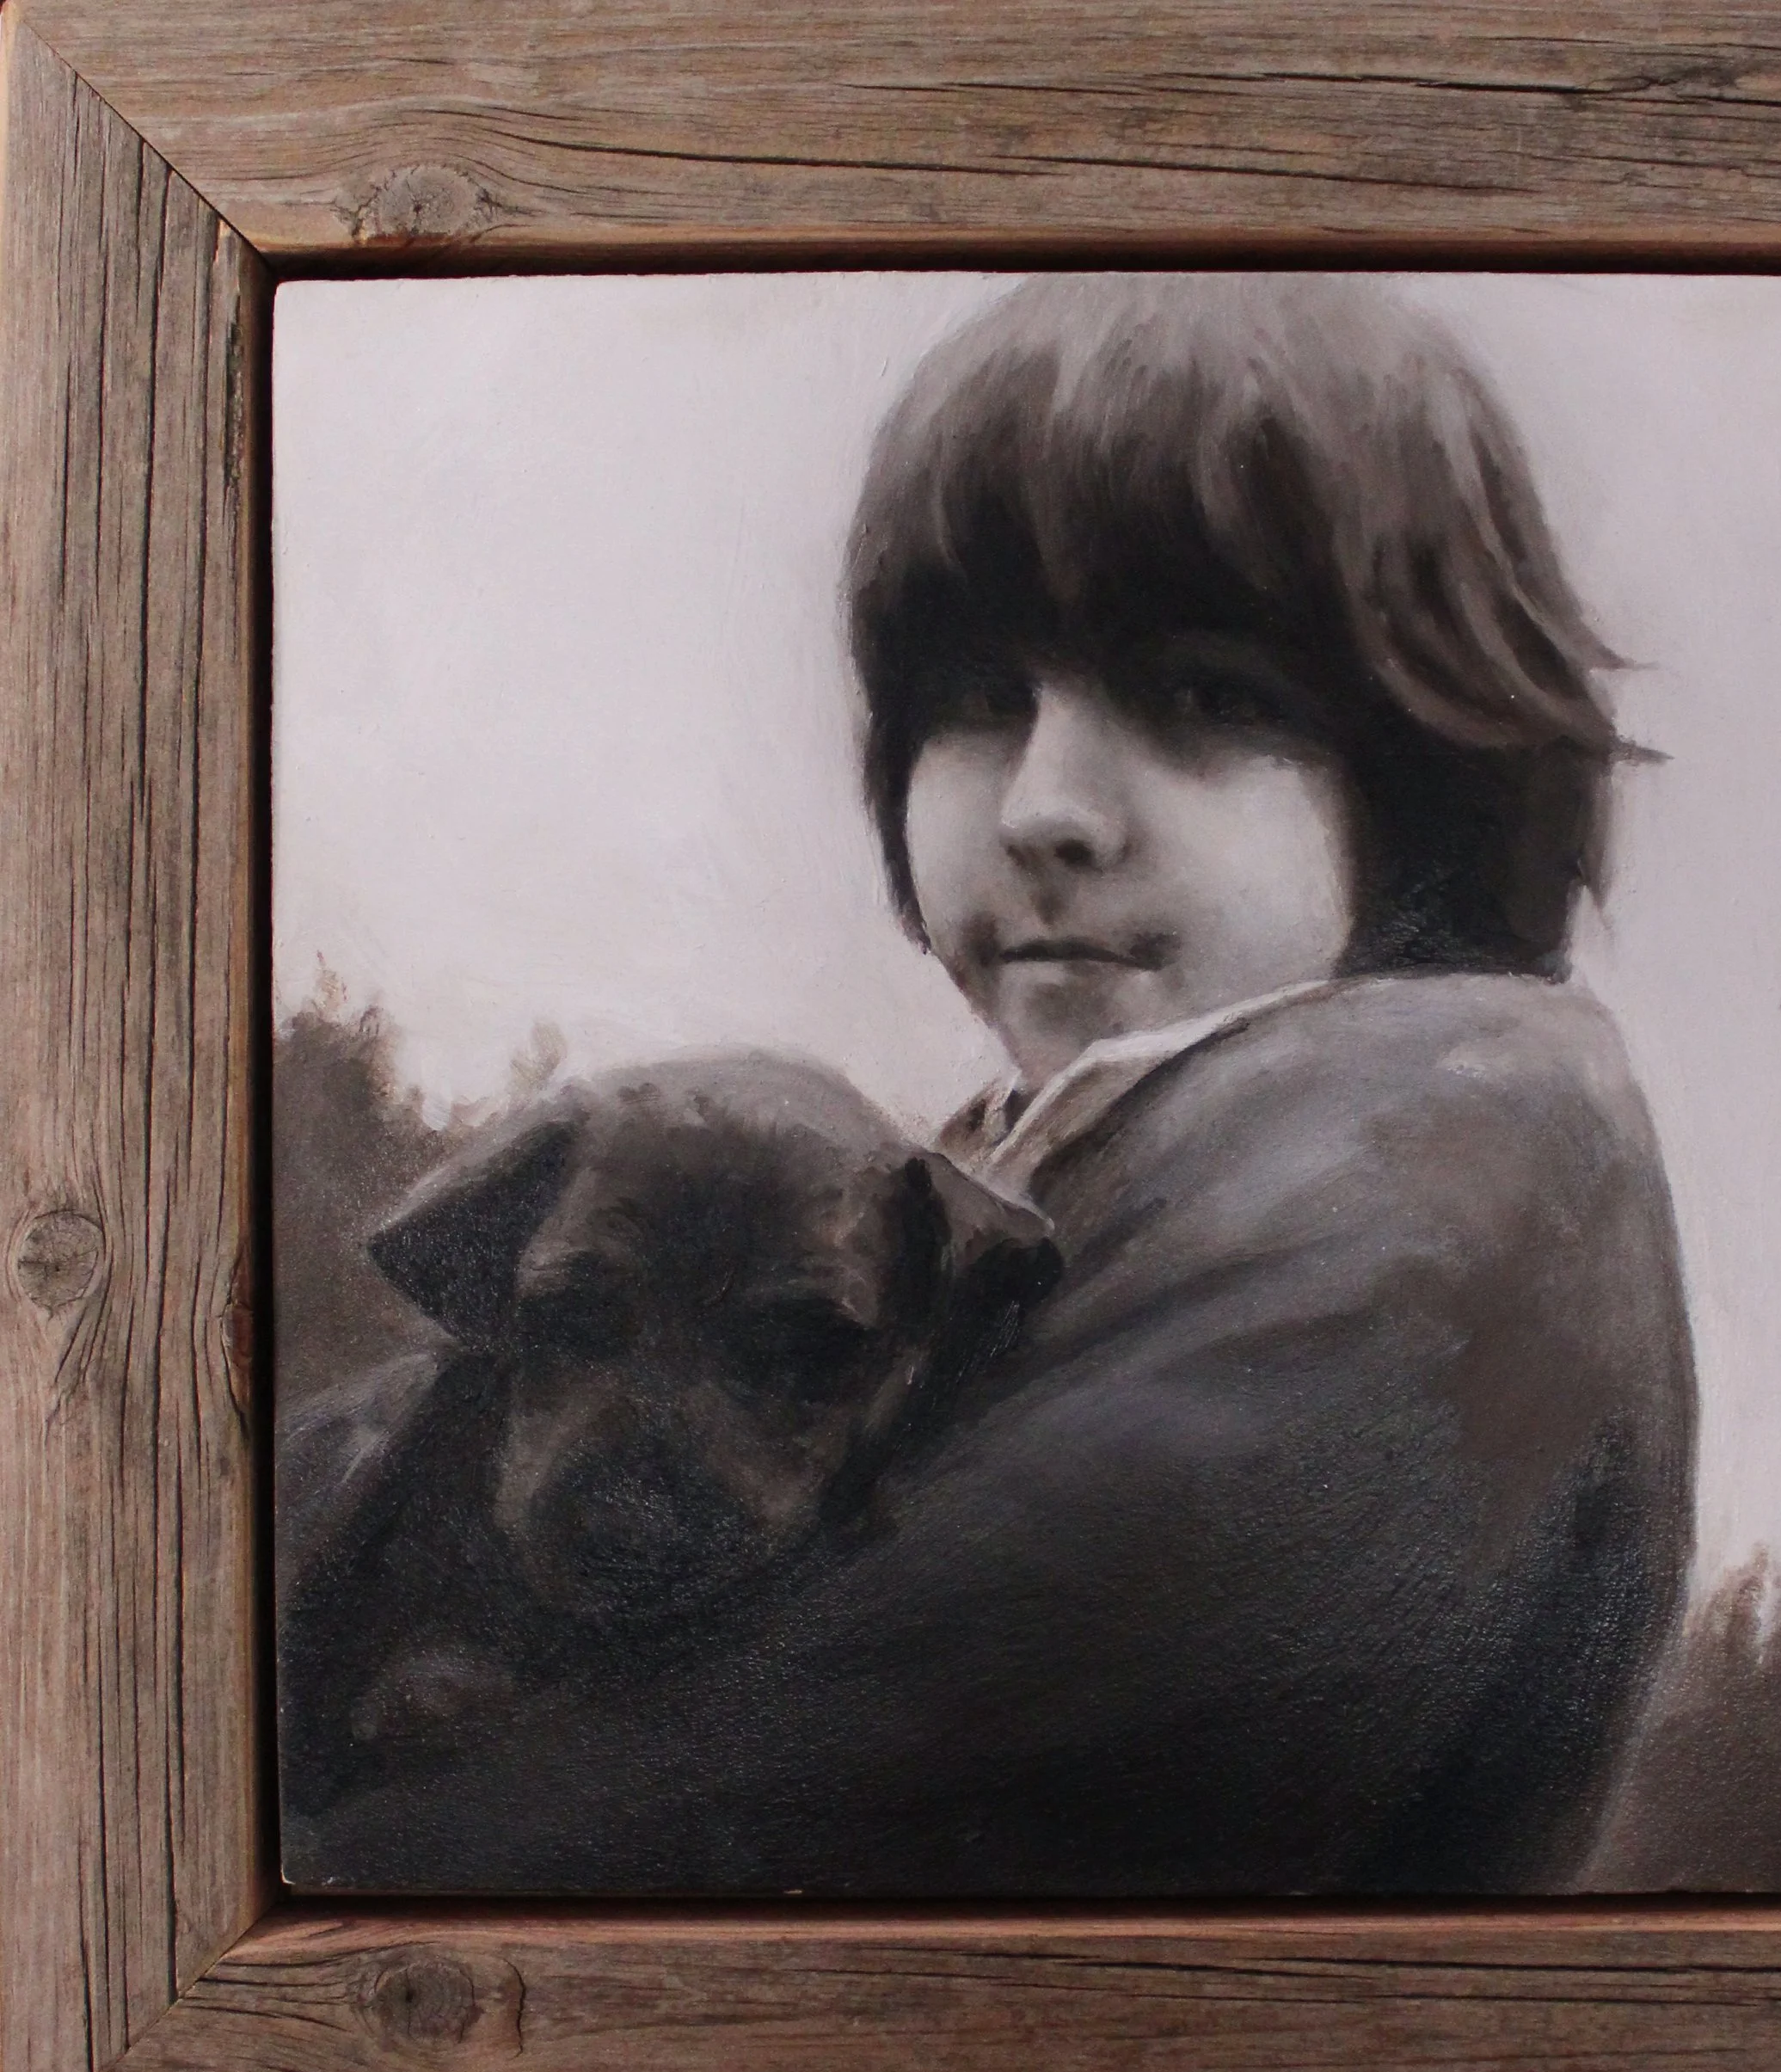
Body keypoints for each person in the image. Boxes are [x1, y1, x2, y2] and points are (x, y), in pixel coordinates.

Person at [278, 274, 1697, 1895]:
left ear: (1428, 767)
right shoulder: (1038, 1155)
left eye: (1209, 698)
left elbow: (770, 1790)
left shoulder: (1461, 1154)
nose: (1043, 808)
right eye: (973, 704)